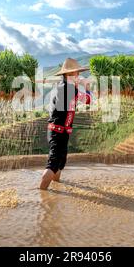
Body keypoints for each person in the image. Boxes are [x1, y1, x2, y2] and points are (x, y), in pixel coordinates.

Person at [39, 58, 92, 190]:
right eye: (77, 74)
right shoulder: (68, 89)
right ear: (71, 74)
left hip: (60, 132)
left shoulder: (64, 87)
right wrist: (86, 87)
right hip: (58, 132)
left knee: (60, 163)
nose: (78, 76)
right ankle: (41, 196)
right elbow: (87, 100)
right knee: (53, 164)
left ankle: (55, 189)